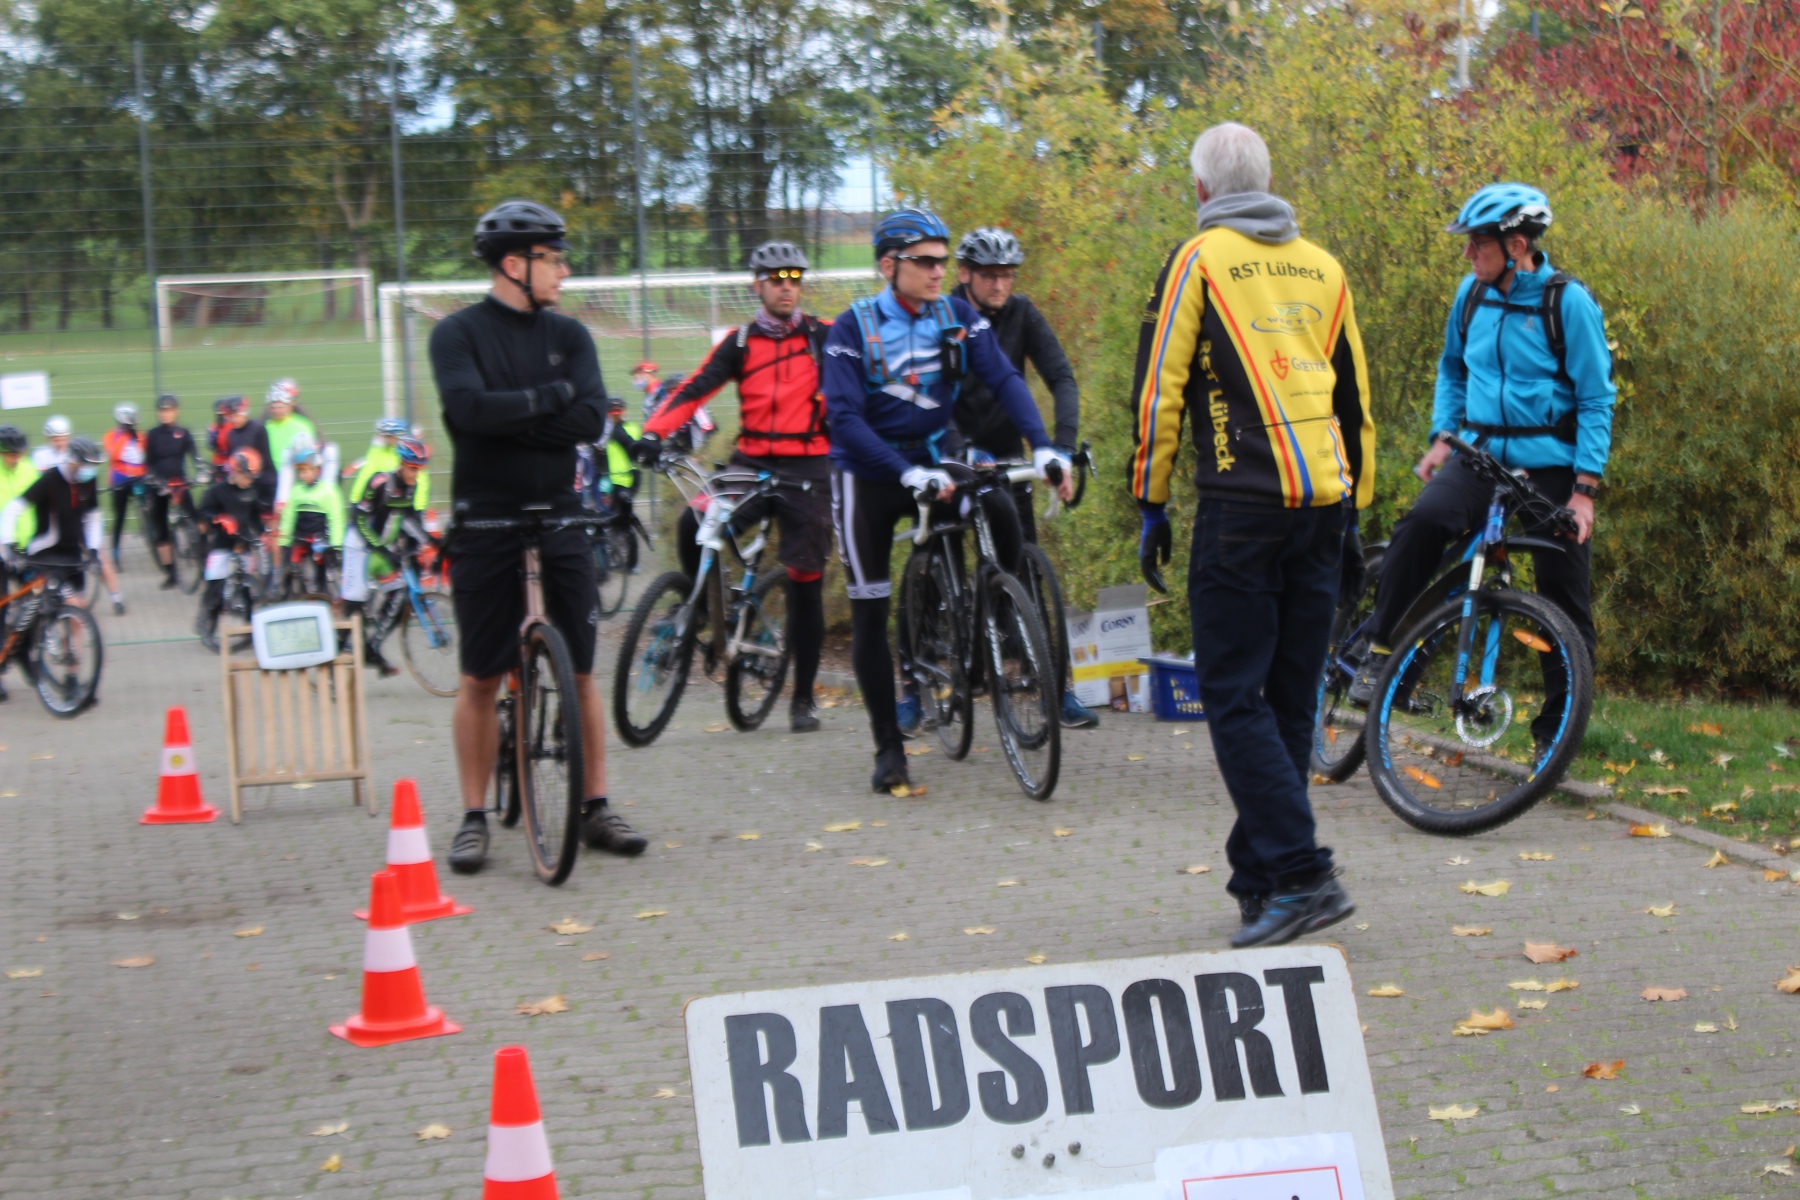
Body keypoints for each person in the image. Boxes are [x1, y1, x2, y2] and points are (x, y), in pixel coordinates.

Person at [1130, 123, 1374, 948]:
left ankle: (1304, 876)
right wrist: (1357, 507)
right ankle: (1261, 878)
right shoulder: (1325, 267)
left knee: (1233, 698)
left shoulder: (1198, 260)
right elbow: (1355, 399)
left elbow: (1160, 388)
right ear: (1266, 181)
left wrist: (1150, 499)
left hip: (1242, 508)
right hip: (1324, 505)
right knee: (1290, 700)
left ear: (1202, 191)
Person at [1349, 184, 1613, 754]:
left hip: (1550, 465)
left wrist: (1584, 490)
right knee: (1423, 523)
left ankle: (1555, 737)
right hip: (1482, 454)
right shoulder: (1470, 296)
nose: (1468, 254)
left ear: (1516, 246)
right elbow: (1452, 368)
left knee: (1564, 594)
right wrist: (1442, 437)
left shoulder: (1567, 304)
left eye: (1478, 244)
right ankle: (1378, 651)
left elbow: (1596, 399)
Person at [824, 208, 1073, 791]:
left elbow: (1006, 378)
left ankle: (995, 607)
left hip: (935, 456)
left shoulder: (957, 315)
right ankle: (889, 748)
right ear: (889, 265)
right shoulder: (851, 329)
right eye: (926, 261)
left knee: (1000, 504)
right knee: (868, 610)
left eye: (942, 260)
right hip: (868, 474)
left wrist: (1043, 446)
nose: (939, 271)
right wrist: (904, 472)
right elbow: (843, 419)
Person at [431, 198, 645, 874]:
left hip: (561, 515)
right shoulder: (457, 334)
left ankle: (595, 806)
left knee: (580, 669)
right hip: (486, 520)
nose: (564, 271)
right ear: (514, 264)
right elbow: (467, 412)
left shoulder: (571, 336)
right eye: (553, 258)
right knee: (479, 676)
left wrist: (510, 418)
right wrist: (551, 399)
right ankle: (473, 816)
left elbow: (590, 420)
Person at [634, 239, 834, 732]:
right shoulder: (740, 343)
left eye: (794, 278)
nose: (786, 287)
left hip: (809, 469)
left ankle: (803, 699)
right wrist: (654, 433)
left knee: (805, 580)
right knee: (693, 523)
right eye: (776, 279)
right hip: (751, 464)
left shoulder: (824, 337)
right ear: (756, 286)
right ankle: (705, 611)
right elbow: (694, 388)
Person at [952, 226, 1096, 731]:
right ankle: (913, 686)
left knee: (1026, 568)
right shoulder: (945, 315)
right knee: (942, 555)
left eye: (1007, 275)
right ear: (965, 274)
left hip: (1008, 454)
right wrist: (958, 449)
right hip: (952, 450)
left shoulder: (1022, 313)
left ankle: (1054, 687)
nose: (999, 285)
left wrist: (1060, 446)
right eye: (989, 275)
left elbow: (1061, 377)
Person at [2, 436, 124, 614]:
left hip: (72, 555)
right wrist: (8, 542)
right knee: (73, 605)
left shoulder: (89, 481)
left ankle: (69, 634)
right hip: (46, 556)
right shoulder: (50, 479)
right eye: (87, 465)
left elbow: (93, 517)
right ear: (73, 460)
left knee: (79, 611)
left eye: (94, 466)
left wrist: (93, 548)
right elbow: (13, 509)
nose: (91, 470)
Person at [352, 437, 431, 674]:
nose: (416, 474)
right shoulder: (381, 482)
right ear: (401, 463)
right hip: (360, 545)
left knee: (400, 595)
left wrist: (428, 542)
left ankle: (372, 646)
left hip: (379, 550)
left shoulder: (411, 486)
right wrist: (382, 549)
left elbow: (406, 519)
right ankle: (350, 644)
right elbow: (358, 518)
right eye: (412, 468)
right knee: (354, 607)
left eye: (420, 469)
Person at [340, 416, 416, 622]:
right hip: (370, 507)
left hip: (376, 504)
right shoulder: (384, 455)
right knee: (368, 552)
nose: (394, 440)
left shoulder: (382, 452)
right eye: (391, 436)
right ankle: (361, 600)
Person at [194, 448, 270, 646]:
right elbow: (203, 512)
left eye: (252, 478)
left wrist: (262, 533)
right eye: (246, 476)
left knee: (247, 590)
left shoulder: (252, 492)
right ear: (236, 471)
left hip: (243, 543)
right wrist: (218, 518)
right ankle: (209, 623)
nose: (249, 481)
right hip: (222, 543)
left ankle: (251, 628)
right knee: (215, 587)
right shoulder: (218, 491)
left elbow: (255, 517)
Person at [142, 394, 199, 590]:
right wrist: (153, 479)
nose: (165, 414)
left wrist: (201, 471)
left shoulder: (184, 433)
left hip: (179, 484)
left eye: (168, 410)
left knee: (197, 520)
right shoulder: (152, 435)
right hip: (159, 487)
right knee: (161, 530)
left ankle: (202, 556)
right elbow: (148, 463)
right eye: (162, 411)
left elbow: (195, 457)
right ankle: (170, 573)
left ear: (176, 412)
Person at [277, 442, 345, 596]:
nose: (301, 475)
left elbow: (336, 519)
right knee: (291, 571)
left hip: (321, 540)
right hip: (301, 539)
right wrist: (284, 542)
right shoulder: (296, 490)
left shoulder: (328, 491)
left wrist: (336, 546)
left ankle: (325, 594)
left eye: (305, 471)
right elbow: (288, 517)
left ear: (316, 470)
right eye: (299, 471)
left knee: (323, 572)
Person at [0, 424, 34, 696]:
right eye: (10, 454)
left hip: (25, 549)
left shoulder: (29, 469)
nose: (16, 458)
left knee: (33, 607)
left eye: (19, 453)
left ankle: (25, 655)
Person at [102, 404, 148, 569]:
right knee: (119, 517)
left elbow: (146, 457)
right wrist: (126, 435)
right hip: (120, 480)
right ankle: (115, 550)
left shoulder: (141, 437)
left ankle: (154, 537)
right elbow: (114, 453)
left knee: (150, 507)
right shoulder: (111, 436)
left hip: (139, 479)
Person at [208, 396, 277, 505]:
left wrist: (250, 476)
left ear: (245, 413)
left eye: (236, 415)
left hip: (264, 483)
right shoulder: (231, 434)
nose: (233, 420)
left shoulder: (258, 429)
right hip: (245, 483)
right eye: (231, 416)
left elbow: (264, 460)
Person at [636, 360, 715, 453]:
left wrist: (699, 453)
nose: (671, 395)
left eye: (673, 390)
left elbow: (706, 428)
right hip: (681, 441)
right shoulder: (666, 404)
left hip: (700, 441)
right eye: (669, 392)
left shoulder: (693, 401)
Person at [263, 378, 320, 505]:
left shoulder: (302, 425)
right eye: (273, 406)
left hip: (296, 480)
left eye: (280, 406)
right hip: (271, 479)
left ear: (291, 404)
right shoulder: (266, 426)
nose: (276, 409)